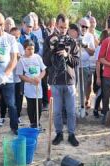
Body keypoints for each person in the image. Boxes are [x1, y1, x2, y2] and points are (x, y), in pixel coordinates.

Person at [43, 14, 80, 146]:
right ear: (56, 26)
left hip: (69, 81)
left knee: (71, 111)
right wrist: (52, 49)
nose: (63, 30)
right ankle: (59, 133)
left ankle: (71, 134)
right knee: (57, 111)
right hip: (55, 81)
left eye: (65, 27)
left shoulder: (72, 41)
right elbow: (45, 61)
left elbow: (76, 62)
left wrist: (67, 55)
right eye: (60, 27)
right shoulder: (49, 39)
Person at [16, 39, 46, 128]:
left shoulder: (37, 57)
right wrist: (30, 80)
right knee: (31, 105)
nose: (31, 51)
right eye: (29, 49)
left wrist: (39, 78)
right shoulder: (22, 60)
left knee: (39, 105)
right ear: (25, 49)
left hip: (38, 85)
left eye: (32, 49)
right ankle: (32, 122)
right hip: (29, 86)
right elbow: (20, 75)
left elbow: (43, 70)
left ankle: (37, 121)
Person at [78, 18, 96, 110]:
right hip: (75, 66)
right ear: (78, 25)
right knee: (78, 87)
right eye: (82, 26)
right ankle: (80, 105)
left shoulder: (90, 36)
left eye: (86, 27)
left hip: (85, 65)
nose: (84, 28)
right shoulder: (74, 34)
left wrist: (85, 46)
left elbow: (92, 52)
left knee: (87, 85)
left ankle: (87, 100)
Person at [94, 29, 110, 118]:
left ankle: (105, 109)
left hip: (107, 72)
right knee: (100, 92)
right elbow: (97, 63)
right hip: (100, 72)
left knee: (106, 92)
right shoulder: (99, 48)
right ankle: (96, 109)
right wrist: (98, 77)